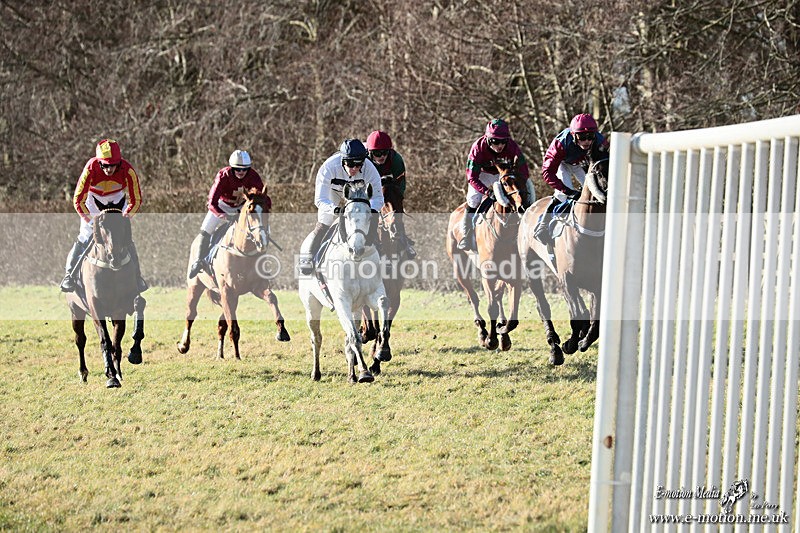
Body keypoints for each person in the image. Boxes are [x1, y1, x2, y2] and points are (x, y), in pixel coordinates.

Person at [60, 139, 147, 293]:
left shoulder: (128, 170)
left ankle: (138, 278)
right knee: (85, 235)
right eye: (105, 165)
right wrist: (89, 220)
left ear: (119, 163)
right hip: (94, 201)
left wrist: (126, 216)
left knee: (125, 238)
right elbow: (78, 199)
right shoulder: (91, 167)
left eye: (113, 165)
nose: (109, 169)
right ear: (99, 162)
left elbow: (137, 199)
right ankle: (69, 275)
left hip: (117, 201)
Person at [297, 138, 384, 275]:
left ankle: (382, 256)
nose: (354, 168)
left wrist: (371, 210)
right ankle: (308, 256)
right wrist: (335, 209)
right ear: (342, 160)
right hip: (333, 195)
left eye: (359, 164)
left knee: (371, 219)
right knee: (324, 223)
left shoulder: (370, 168)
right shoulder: (328, 167)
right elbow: (320, 199)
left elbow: (378, 198)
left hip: (358, 197)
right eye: (350, 164)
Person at [188, 150, 268, 278]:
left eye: (244, 169)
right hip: (221, 206)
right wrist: (224, 215)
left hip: (242, 207)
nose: (241, 172)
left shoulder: (253, 176)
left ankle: (262, 263)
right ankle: (198, 261)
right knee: (205, 230)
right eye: (237, 169)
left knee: (260, 228)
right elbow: (211, 202)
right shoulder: (223, 176)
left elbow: (263, 198)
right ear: (231, 168)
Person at [459, 118, 533, 251]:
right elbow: (472, 177)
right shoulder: (478, 148)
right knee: (473, 200)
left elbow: (524, 171)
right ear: (488, 139)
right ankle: (467, 234)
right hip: (482, 175)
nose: (500, 145)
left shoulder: (512, 146)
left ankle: (528, 230)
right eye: (495, 141)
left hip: (504, 175)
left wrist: (519, 183)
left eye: (503, 141)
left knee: (527, 194)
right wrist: (487, 192)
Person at [535, 113, 609, 245]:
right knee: (563, 194)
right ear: (574, 135)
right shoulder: (561, 143)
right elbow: (547, 172)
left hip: (580, 163)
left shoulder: (599, 140)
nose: (586, 141)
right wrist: (567, 190)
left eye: (590, 137)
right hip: (562, 163)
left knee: (595, 193)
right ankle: (543, 224)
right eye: (582, 137)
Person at [365, 130, 416, 259]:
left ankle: (401, 235)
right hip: (367, 190)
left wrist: (398, 200)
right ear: (370, 153)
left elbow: (401, 184)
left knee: (392, 194)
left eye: (385, 152)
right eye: (377, 153)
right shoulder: (365, 161)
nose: (382, 156)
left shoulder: (396, 159)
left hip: (388, 188)